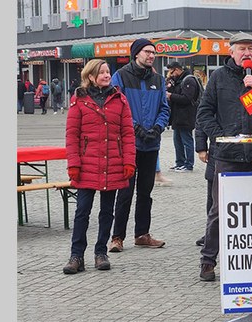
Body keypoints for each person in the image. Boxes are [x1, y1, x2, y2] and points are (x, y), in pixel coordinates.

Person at [195, 32, 252, 281]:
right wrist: (220, 137)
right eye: (242, 48)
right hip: (227, 155)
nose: (247, 53)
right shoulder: (218, 77)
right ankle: (208, 260)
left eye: (251, 48)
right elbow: (204, 113)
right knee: (219, 209)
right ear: (231, 50)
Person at [62, 59, 137, 274]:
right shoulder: (79, 100)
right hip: (86, 165)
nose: (106, 75)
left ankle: (100, 252)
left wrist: (129, 161)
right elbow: (72, 135)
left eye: (107, 72)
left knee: (107, 212)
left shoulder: (119, 99)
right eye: (102, 72)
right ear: (91, 77)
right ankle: (76, 255)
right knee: (82, 212)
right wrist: (74, 164)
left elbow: (127, 134)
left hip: (112, 164)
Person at [107, 38, 171, 253]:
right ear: (136, 54)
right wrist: (135, 128)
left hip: (151, 145)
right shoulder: (121, 76)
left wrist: (158, 127)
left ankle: (142, 234)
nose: (151, 55)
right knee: (125, 192)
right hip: (128, 145)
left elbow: (164, 108)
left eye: (153, 52)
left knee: (146, 191)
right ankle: (117, 237)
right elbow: (116, 107)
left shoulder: (158, 80)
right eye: (147, 51)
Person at [166, 61, 202, 172]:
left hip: (186, 116)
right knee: (177, 141)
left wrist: (171, 96)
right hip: (177, 117)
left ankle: (189, 164)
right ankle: (179, 162)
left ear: (177, 70)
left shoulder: (189, 80)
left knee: (187, 141)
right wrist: (170, 86)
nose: (170, 75)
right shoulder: (178, 80)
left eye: (171, 72)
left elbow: (187, 98)